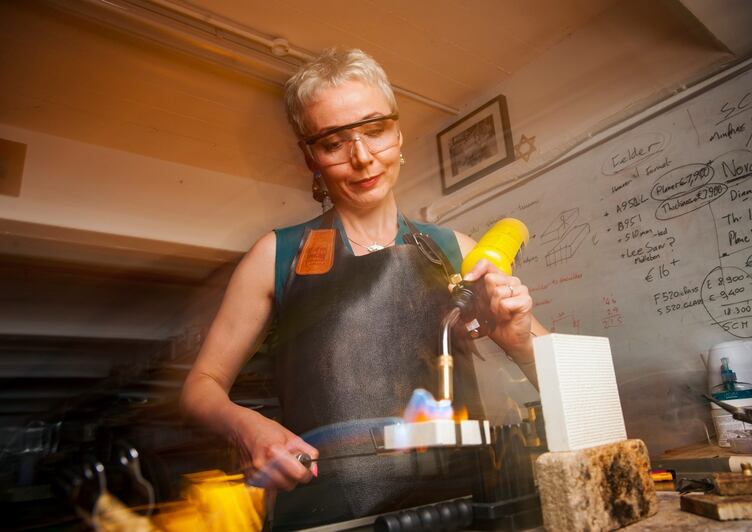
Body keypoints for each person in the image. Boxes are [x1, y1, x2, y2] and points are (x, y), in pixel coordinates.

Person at [181, 47, 548, 529]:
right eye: (334, 142)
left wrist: (521, 341)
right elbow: (200, 387)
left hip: (466, 507)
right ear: (311, 157)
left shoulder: (456, 249)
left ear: (397, 133)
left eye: (375, 130)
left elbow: (567, 382)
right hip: (330, 515)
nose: (362, 157)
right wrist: (247, 427)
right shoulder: (275, 256)